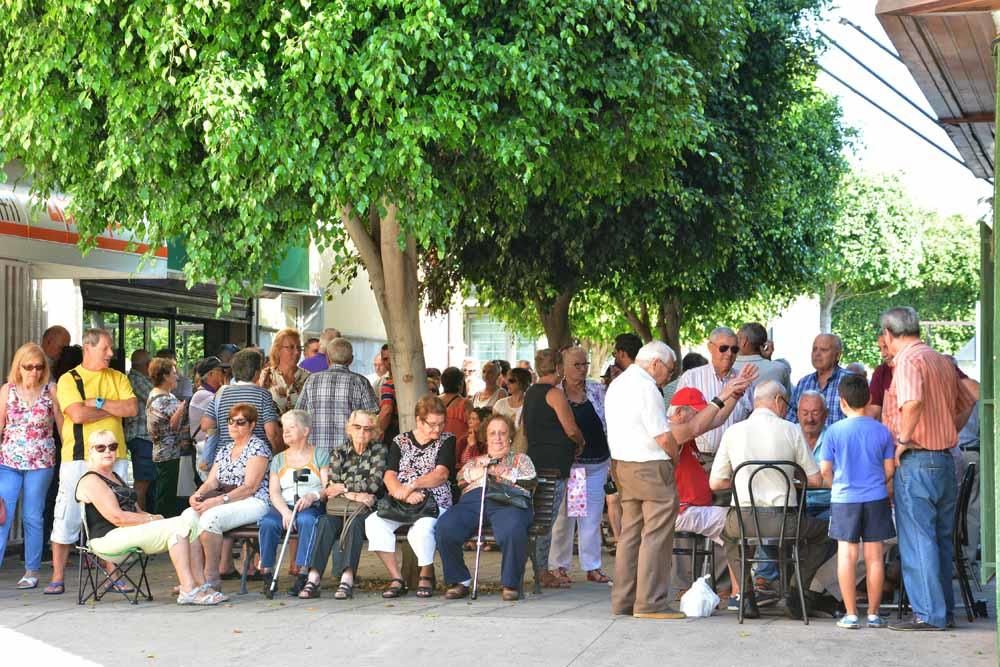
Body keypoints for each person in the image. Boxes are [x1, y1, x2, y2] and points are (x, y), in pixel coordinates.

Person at [606, 341, 754, 619]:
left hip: (623, 465)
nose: (669, 376)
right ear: (655, 363)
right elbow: (666, 437)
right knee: (656, 537)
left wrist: (728, 395)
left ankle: (624, 600)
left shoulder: (619, 384)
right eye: (669, 369)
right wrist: (673, 457)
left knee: (630, 535)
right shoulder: (646, 387)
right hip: (650, 466)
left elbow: (703, 422)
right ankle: (650, 603)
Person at [880, 307, 975, 631]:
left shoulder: (908, 360)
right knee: (940, 540)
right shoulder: (939, 359)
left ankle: (928, 614)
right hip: (945, 459)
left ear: (890, 334)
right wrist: (946, 428)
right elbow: (968, 401)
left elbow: (913, 402)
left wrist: (903, 441)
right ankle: (943, 610)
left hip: (918, 460)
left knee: (918, 539)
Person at [710, 380, 833, 620]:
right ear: (778, 400)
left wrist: (744, 479)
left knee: (729, 535)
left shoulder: (733, 431)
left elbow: (716, 484)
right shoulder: (791, 430)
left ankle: (746, 597)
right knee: (826, 532)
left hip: (744, 519)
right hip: (784, 520)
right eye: (786, 404)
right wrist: (790, 477)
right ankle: (796, 592)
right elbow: (816, 481)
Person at [74, 429, 225, 605]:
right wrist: (154, 520)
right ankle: (188, 589)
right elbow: (118, 518)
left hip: (129, 533)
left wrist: (156, 517)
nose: (108, 451)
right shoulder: (91, 480)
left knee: (190, 519)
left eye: (112, 446)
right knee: (179, 526)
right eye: (101, 448)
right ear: (90, 451)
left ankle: (200, 584)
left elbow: (138, 512)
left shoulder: (114, 477)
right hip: (107, 539)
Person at [48, 328, 137, 595]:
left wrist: (96, 403)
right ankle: (57, 575)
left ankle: (113, 574)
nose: (111, 353)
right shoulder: (69, 379)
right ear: (88, 347)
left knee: (112, 516)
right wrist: (111, 407)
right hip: (78, 457)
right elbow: (76, 415)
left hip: (114, 455)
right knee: (68, 515)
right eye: (105, 348)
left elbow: (131, 409)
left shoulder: (118, 377)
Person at [819, 374, 896, 629]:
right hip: (876, 498)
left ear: (841, 402)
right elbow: (889, 470)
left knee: (847, 557)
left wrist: (837, 486)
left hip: (845, 499)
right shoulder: (882, 431)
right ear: (870, 398)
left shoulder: (833, 432)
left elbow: (825, 471)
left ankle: (851, 614)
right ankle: (874, 614)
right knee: (874, 558)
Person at [436, 413, 537, 601]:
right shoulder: (477, 460)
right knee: (445, 526)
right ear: (486, 436)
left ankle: (510, 583)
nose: (497, 438)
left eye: (502, 433)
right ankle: (460, 581)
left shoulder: (521, 459)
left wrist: (505, 472)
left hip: (508, 501)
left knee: (513, 529)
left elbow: (531, 481)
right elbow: (460, 480)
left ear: (510, 436)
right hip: (475, 501)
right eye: (492, 433)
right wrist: (477, 472)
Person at [365, 395, 456, 599]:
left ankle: (426, 572)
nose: (437, 429)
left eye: (441, 423)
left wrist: (413, 486)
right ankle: (397, 578)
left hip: (433, 501)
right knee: (373, 524)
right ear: (418, 420)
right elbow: (389, 475)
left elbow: (441, 474)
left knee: (420, 531)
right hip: (403, 502)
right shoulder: (400, 441)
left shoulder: (447, 440)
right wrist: (404, 494)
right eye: (432, 424)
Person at [301, 410, 388, 599]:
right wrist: (355, 495)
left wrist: (344, 488)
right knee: (325, 522)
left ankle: (347, 578)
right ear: (349, 428)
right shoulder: (338, 451)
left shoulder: (379, 450)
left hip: (366, 509)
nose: (362, 432)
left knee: (355, 524)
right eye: (357, 427)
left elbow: (374, 484)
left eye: (367, 428)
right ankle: (313, 577)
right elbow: (331, 486)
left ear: (373, 431)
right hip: (341, 507)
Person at [667, 387, 740, 609]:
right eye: (695, 412)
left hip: (693, 510)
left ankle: (738, 591)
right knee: (738, 523)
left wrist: (734, 398)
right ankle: (739, 593)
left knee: (735, 525)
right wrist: (724, 395)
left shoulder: (683, 430)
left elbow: (714, 421)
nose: (700, 418)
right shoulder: (673, 432)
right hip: (684, 511)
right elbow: (707, 422)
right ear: (680, 413)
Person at [0, 342, 63, 590]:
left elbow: (62, 427)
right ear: (19, 367)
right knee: (2, 515)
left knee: (32, 516)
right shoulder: (8, 390)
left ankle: (31, 570)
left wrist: (71, 454)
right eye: (28, 367)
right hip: (8, 461)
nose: (34, 372)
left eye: (39, 367)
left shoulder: (51, 390)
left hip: (41, 461)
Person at [189, 403, 271, 590]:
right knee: (189, 516)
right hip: (226, 499)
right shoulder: (225, 449)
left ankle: (211, 576)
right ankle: (194, 577)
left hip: (254, 501)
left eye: (240, 422)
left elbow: (250, 487)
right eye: (230, 421)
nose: (234, 426)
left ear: (251, 425)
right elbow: (211, 482)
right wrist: (197, 495)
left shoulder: (258, 447)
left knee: (211, 518)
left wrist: (217, 501)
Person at [549, 346, 611, 585]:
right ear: (562, 368)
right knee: (568, 517)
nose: (582, 369)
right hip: (573, 467)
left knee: (592, 518)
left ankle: (592, 566)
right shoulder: (556, 394)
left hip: (597, 463)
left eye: (585, 364)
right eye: (577, 364)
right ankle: (559, 566)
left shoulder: (597, 390)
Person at [523, 348, 584, 589]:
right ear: (558, 367)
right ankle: (542, 571)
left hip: (535, 461)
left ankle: (540, 569)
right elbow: (570, 428)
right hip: (554, 465)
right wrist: (580, 442)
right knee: (545, 520)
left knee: (540, 517)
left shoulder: (530, 393)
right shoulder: (554, 394)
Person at [258, 410, 329, 595]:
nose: (286, 432)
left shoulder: (320, 455)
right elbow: (274, 492)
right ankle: (267, 572)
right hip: (285, 506)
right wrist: (285, 512)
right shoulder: (278, 459)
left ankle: (303, 573)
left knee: (307, 521)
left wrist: (313, 496)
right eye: (284, 428)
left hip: (310, 506)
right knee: (268, 523)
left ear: (305, 431)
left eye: (292, 427)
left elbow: (326, 487)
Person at [676, 327, 753, 469]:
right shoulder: (691, 377)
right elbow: (676, 419)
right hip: (701, 459)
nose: (729, 354)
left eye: (734, 349)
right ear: (710, 347)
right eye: (723, 348)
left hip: (736, 461)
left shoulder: (744, 380)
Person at [294, 337, 378, 454]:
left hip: (315, 453)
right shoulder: (360, 382)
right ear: (351, 360)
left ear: (327, 358)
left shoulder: (312, 380)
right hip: (349, 454)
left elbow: (298, 414)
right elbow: (372, 418)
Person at [200, 348, 281, 462]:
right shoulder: (263, 395)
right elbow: (272, 433)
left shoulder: (221, 393)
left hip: (225, 460)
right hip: (255, 460)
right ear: (257, 372)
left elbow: (206, 425)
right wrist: (280, 455)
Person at [146, 357, 191, 518]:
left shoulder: (161, 396)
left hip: (166, 453)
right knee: (167, 497)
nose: (177, 376)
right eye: (173, 372)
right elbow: (174, 423)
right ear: (165, 376)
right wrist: (183, 406)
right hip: (169, 454)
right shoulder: (163, 400)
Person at [787, 334, 847, 427]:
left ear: (837, 355)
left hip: (839, 441)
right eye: (814, 349)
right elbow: (791, 420)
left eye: (824, 350)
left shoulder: (849, 381)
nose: (817, 354)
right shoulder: (803, 383)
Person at [124, 349, 155, 510]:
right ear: (146, 365)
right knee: (142, 482)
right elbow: (156, 399)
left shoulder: (139, 378)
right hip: (141, 437)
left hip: (144, 438)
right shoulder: (136, 380)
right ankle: (140, 516)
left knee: (148, 481)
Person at [189, 356, 230, 478]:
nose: (225, 374)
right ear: (211, 374)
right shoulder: (204, 396)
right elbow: (227, 413)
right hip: (206, 451)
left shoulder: (206, 394)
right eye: (221, 371)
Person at [260, 328, 311, 415]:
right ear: (278, 350)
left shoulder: (308, 378)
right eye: (291, 347)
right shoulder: (266, 376)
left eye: (299, 347)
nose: (297, 352)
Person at [733, 322, 791, 393]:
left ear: (744, 342)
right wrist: (768, 360)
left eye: (736, 338)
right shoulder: (780, 369)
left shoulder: (728, 368)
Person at [494, 366, 531, 453]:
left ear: (522, 382)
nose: (507, 383)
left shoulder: (531, 403)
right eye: (507, 380)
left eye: (511, 381)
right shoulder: (500, 404)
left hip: (524, 452)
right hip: (502, 450)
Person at [440, 366, 470, 449]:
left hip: (440, 448)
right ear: (460, 383)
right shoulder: (466, 403)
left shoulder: (435, 401)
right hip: (459, 448)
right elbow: (473, 426)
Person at [376, 345, 400, 445]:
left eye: (392, 357)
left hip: (393, 434)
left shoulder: (388, 385)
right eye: (385, 359)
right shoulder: (382, 382)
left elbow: (386, 411)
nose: (389, 362)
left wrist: (377, 433)